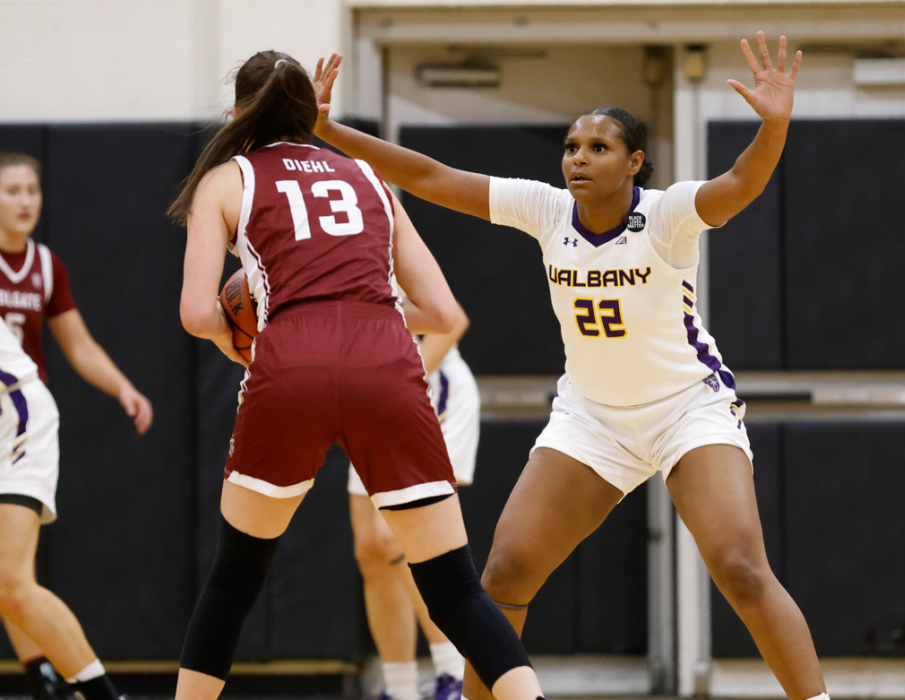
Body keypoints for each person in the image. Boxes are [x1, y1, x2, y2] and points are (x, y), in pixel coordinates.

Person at [313, 32, 830, 700]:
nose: (578, 159)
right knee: (504, 574)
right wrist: (331, 131)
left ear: (634, 161)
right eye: (571, 147)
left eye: (598, 148)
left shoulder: (667, 215)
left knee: (741, 569)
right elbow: (431, 176)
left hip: (687, 409)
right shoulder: (547, 209)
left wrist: (774, 127)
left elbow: (740, 184)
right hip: (591, 419)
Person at [170, 51, 545, 700]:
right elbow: (443, 311)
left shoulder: (226, 179)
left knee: (233, 582)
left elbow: (198, 312)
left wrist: (241, 346)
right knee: (454, 587)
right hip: (384, 359)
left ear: (238, 114)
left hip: (289, 364)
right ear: (312, 114)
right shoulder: (368, 178)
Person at [0, 153, 154, 700]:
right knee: (9, 581)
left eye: (30, 191)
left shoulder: (45, 265)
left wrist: (123, 387)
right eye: (12, 190)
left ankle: (91, 690)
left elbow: (80, 344)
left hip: (17, 423)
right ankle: (48, 678)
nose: (24, 201)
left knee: (12, 579)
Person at [348, 294, 479, 700]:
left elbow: (453, 320)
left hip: (427, 392)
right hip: (370, 403)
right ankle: (401, 690)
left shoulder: (382, 239)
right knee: (371, 549)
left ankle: (454, 674)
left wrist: (396, 381)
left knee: (396, 538)